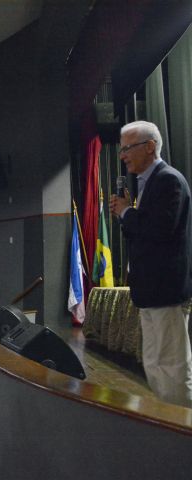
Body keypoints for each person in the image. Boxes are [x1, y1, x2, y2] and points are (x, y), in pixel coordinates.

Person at [109, 120, 192, 408]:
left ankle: (181, 429)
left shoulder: (168, 180)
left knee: (173, 367)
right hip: (149, 292)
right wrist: (127, 214)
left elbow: (161, 231)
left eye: (127, 148)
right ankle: (165, 420)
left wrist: (127, 213)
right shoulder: (148, 184)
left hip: (165, 291)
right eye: (121, 150)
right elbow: (141, 233)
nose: (122, 156)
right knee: (154, 364)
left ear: (150, 147)